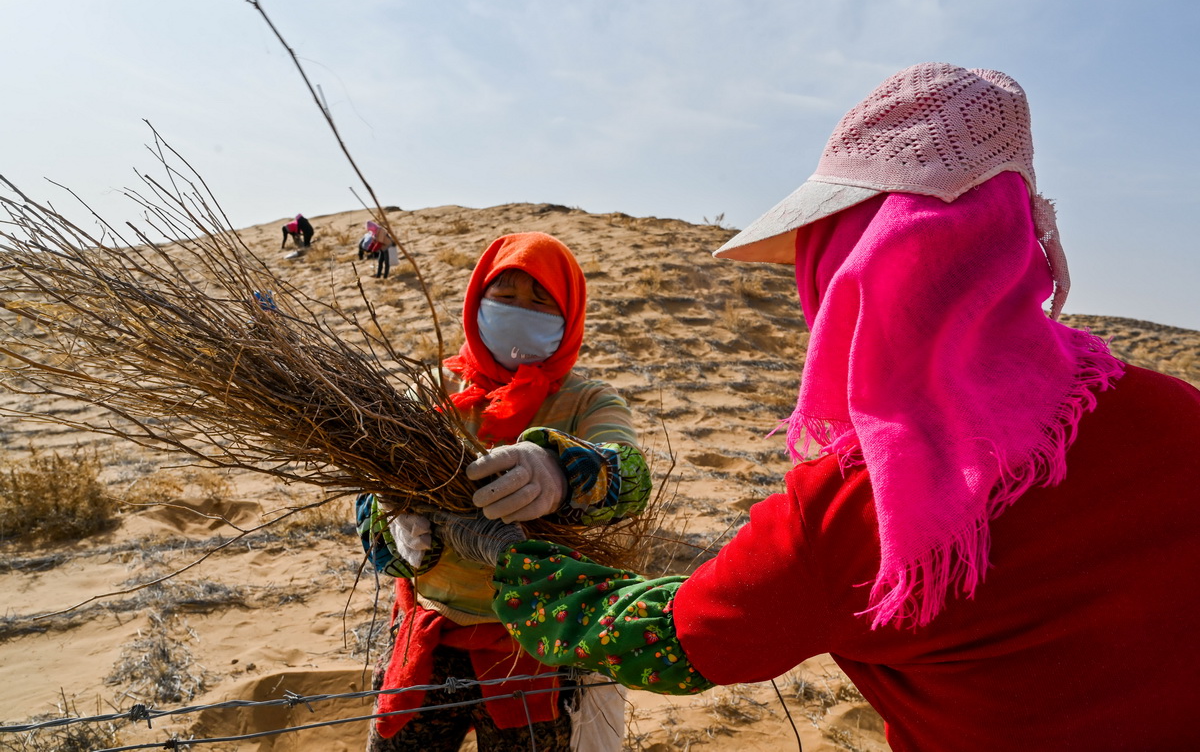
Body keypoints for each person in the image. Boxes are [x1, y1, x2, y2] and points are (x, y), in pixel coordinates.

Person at [432, 64, 1200, 750]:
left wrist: (517, 561)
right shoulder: (1178, 416)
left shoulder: (869, 517)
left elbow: (676, 640)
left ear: (858, 267)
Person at [356, 232, 653, 751]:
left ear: (570, 315)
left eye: (541, 302)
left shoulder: (588, 400)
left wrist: (563, 472)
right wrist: (389, 518)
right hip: (431, 633)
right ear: (477, 303)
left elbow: (631, 476)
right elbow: (367, 493)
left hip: (539, 638)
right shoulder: (430, 392)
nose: (521, 313)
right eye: (506, 297)